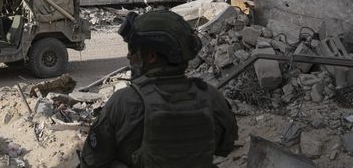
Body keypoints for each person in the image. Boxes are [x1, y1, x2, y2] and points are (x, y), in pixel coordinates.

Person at [80, 10, 238, 167]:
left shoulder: (124, 102)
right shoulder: (211, 96)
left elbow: (92, 159)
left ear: (151, 56)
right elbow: (225, 147)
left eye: (132, 50)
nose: (129, 57)